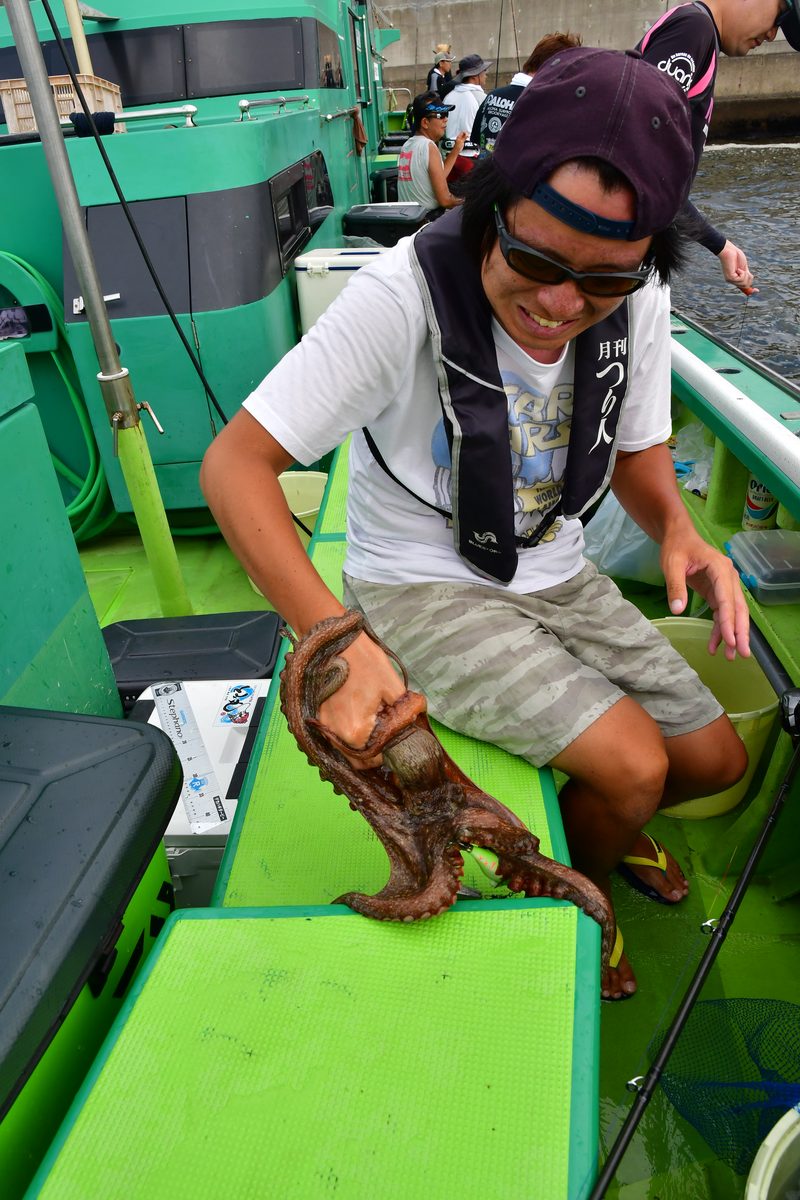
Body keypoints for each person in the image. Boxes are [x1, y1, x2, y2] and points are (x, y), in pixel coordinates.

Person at [201, 47, 751, 1003]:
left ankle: (603, 840)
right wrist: (333, 638)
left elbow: (637, 454)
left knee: (712, 760)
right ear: (488, 206)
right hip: (421, 582)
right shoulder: (398, 297)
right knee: (631, 768)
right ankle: (573, 891)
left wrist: (677, 528)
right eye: (535, 259)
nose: (559, 304)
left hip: (557, 568)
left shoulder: (640, 299)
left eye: (603, 282)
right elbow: (235, 467)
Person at [636, 0, 800, 294]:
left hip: (636, 253)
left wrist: (720, 246)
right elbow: (638, 157)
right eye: (780, 17)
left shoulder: (699, 33)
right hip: (623, 255)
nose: (773, 35)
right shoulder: (693, 29)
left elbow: (660, 179)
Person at [471, 31, 582, 153]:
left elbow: (475, 141)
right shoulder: (546, 105)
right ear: (554, 66)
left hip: (483, 169)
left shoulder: (492, 96)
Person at [397, 93, 465, 214]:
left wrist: (456, 149)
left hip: (408, 220)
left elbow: (439, 177)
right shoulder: (429, 147)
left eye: (446, 114)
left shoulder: (407, 145)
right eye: (441, 115)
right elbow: (445, 201)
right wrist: (472, 200)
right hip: (428, 221)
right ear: (425, 123)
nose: (446, 119)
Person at [443, 53, 492, 181]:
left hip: (449, 160)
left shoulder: (449, 96)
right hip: (470, 160)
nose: (486, 75)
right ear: (476, 76)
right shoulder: (482, 98)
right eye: (484, 72)